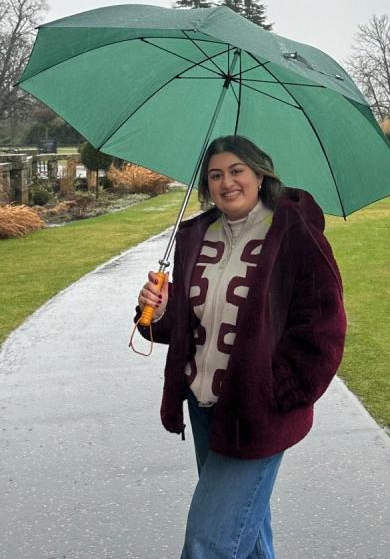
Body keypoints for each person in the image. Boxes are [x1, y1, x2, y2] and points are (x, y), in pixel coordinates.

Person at [135, 135, 346, 559]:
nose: (226, 182)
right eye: (215, 175)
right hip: (203, 406)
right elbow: (193, 321)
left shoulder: (294, 235)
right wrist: (159, 311)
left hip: (257, 412)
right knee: (244, 533)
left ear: (260, 174)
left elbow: (323, 327)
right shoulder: (197, 234)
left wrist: (276, 393)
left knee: (208, 540)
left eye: (236, 171)